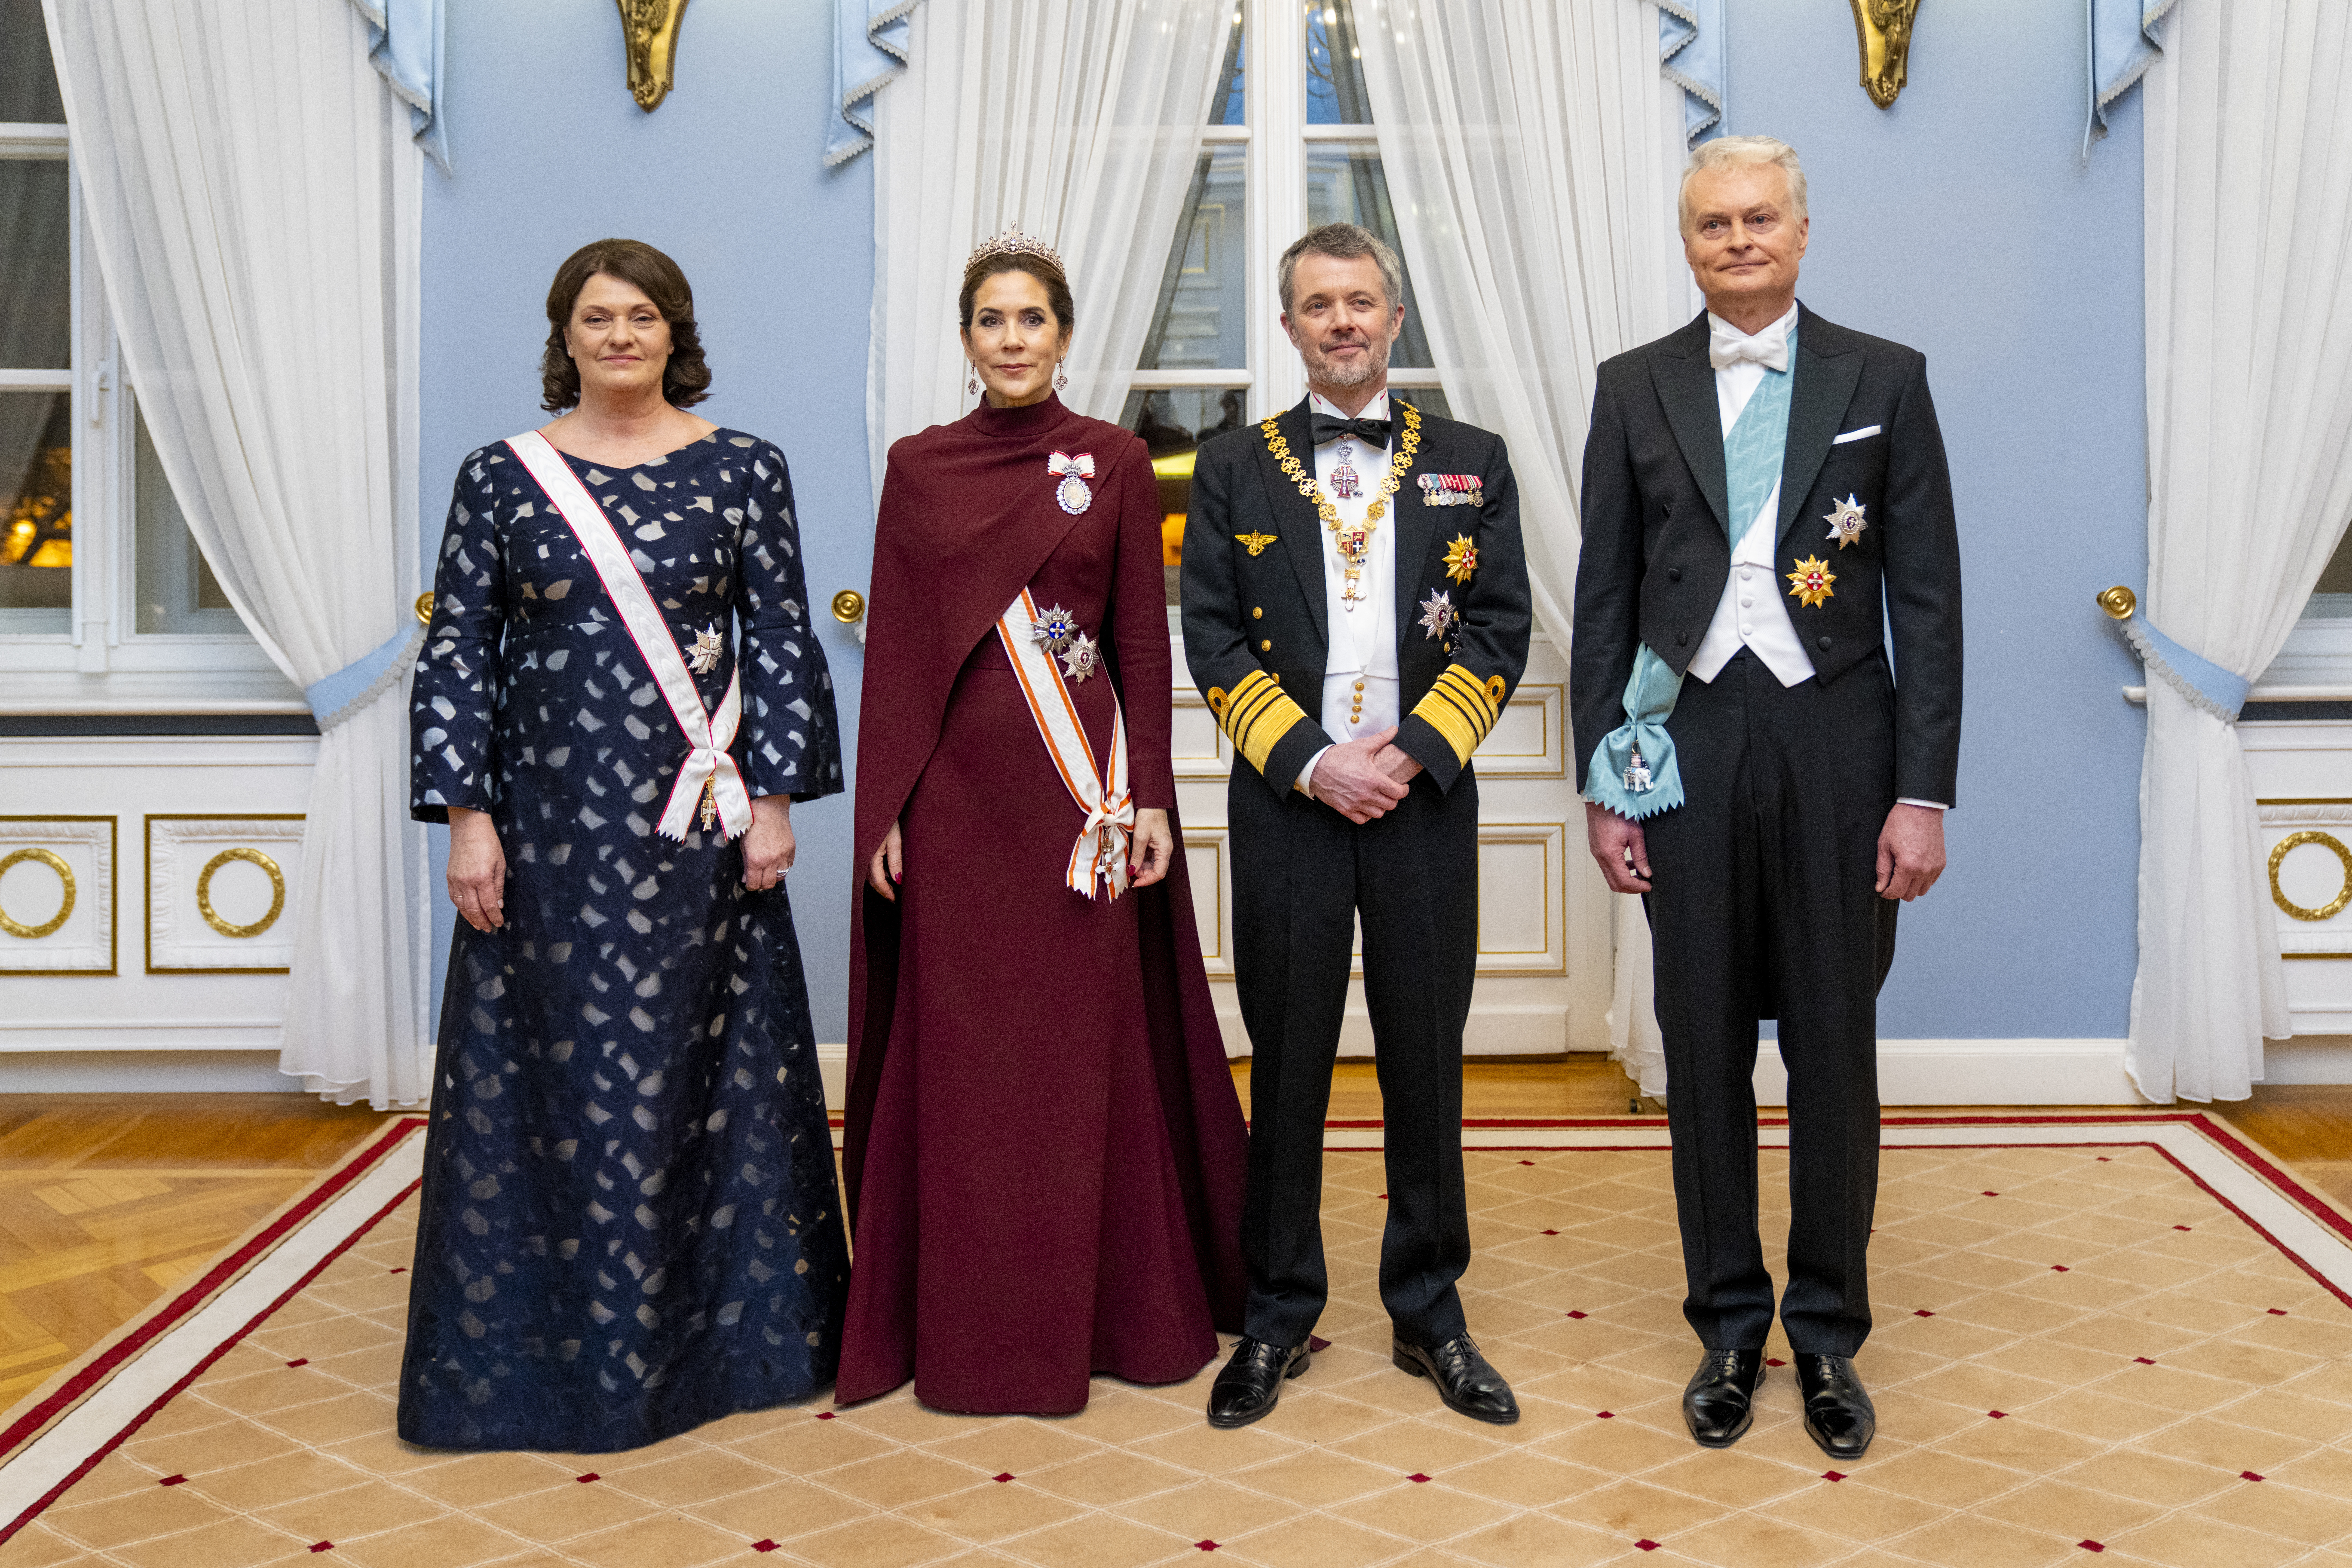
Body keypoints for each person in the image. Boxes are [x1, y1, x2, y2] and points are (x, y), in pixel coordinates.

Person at [402, 238, 848, 1450]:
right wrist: (469, 822)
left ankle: (725, 1347)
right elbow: (459, 658)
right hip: (544, 835)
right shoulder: (501, 478)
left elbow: (782, 638)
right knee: (555, 1079)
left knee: (705, 1081)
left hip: (695, 829)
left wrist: (774, 800)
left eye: (640, 316)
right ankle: (548, 1355)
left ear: (673, 333)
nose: (619, 336)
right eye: (595, 317)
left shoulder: (746, 468)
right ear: (566, 335)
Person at [1572, 137, 1963, 1461]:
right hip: (1683, 745)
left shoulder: (1887, 379)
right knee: (1703, 1056)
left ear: (1803, 231)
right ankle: (1730, 1328)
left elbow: (1930, 605)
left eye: (1759, 219)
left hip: (1841, 750)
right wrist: (1604, 786)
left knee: (1835, 1056)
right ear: (1686, 244)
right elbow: (1604, 601)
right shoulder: (1633, 387)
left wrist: (1923, 793)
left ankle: (1831, 1335)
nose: (1737, 240)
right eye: (1712, 225)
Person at [838, 231, 1248, 1415]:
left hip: (1084, 807)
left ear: (1063, 336)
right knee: (971, 1072)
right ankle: (966, 1325)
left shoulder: (1114, 458)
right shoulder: (919, 467)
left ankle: (1115, 1311)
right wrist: (887, 813)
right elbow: (905, 658)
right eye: (991, 321)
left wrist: (1155, 795)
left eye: (1032, 320)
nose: (1012, 339)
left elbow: (1136, 637)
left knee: (1080, 1069)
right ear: (965, 339)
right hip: (960, 811)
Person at [1182, 223, 1531, 1429]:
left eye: (1362, 302)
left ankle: (1431, 1311)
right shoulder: (1230, 465)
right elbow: (1213, 640)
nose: (1342, 321)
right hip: (1289, 803)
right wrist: (1315, 763)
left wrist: (1414, 754)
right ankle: (1275, 1314)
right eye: (1319, 304)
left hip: (1423, 801)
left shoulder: (1474, 459)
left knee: (1426, 1058)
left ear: (1395, 321)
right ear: (1287, 327)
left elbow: (1500, 630)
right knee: (1284, 1061)